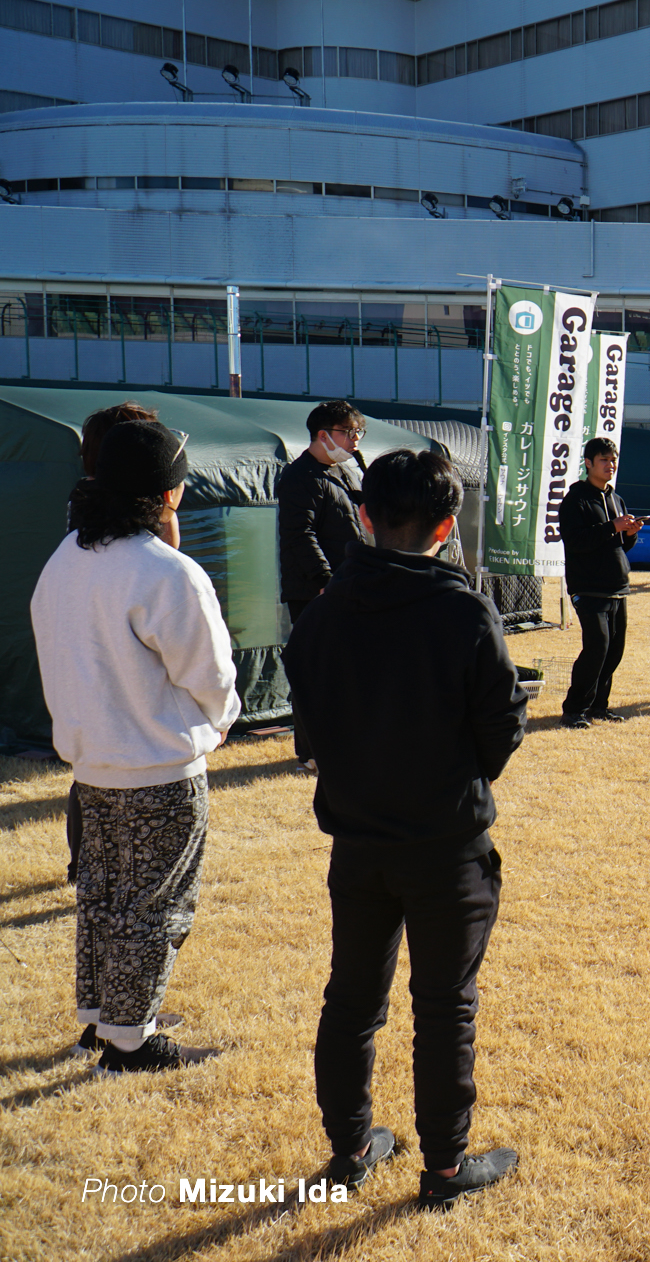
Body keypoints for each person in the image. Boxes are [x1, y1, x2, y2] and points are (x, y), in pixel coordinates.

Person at [286, 448, 526, 1206]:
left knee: (352, 999)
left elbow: (311, 727)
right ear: (448, 526)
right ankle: (446, 1166)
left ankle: (350, 1147)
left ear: (363, 516)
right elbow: (501, 727)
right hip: (444, 843)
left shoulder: (324, 612)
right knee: (443, 1004)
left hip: (358, 841)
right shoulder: (463, 609)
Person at [33, 420, 238, 1073]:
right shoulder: (165, 572)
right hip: (159, 769)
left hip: (92, 764)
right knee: (155, 907)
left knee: (104, 896)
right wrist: (221, 719)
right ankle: (131, 1040)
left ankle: (105, 1018)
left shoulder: (66, 556)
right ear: (169, 494)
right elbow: (210, 676)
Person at [62, 402, 167, 886]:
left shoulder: (85, 503)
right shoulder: (113, 510)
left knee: (91, 767)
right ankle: (89, 864)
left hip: (87, 648)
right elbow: (165, 566)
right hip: (113, 650)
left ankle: (85, 865)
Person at [276, 399, 368, 773]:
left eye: (359, 433)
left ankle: (339, 745)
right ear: (322, 434)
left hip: (345, 587)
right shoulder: (301, 477)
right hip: (317, 592)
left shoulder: (342, 472)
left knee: (345, 671)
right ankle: (313, 753)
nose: (356, 441)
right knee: (317, 673)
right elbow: (299, 535)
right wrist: (325, 583)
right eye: (349, 432)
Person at [559, 438, 642, 729]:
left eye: (613, 460)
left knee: (613, 650)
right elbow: (576, 540)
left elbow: (620, 545)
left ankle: (598, 706)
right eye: (604, 460)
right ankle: (573, 710)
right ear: (589, 463)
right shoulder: (576, 499)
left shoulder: (615, 498)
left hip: (617, 586)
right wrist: (612, 526)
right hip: (588, 587)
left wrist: (629, 532)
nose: (611, 465)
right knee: (597, 647)